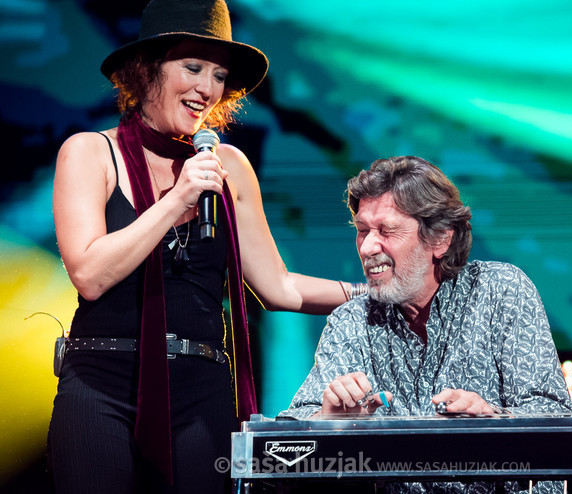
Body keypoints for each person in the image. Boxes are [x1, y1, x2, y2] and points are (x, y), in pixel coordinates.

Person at [47, 1, 364, 493]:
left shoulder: (228, 165)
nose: (206, 88)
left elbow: (279, 288)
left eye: (218, 76)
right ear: (146, 70)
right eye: (192, 68)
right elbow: (90, 274)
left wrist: (376, 294)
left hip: (199, 389)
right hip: (101, 383)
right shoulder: (89, 152)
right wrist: (177, 201)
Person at [280, 156, 572, 493]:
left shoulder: (501, 291)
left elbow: (555, 416)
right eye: (362, 231)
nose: (367, 247)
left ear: (440, 239)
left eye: (386, 231)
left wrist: (491, 420)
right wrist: (327, 424)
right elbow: (290, 435)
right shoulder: (351, 321)